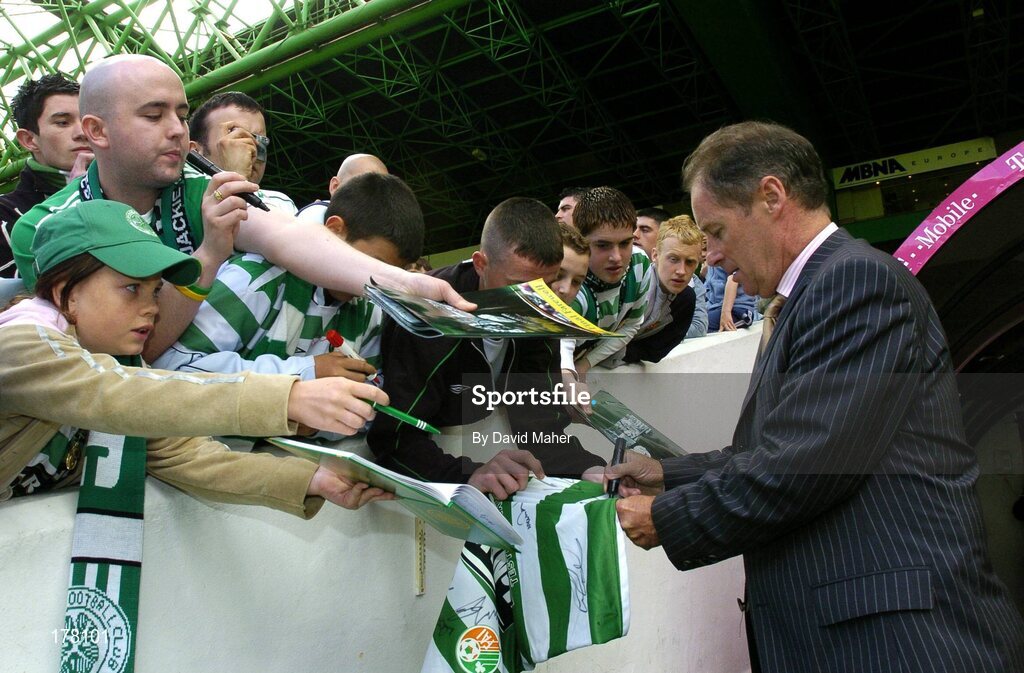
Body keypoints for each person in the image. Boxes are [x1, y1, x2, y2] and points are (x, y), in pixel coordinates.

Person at [605, 121, 1024, 672]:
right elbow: (779, 449)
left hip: (894, 643)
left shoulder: (854, 283)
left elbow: (807, 464)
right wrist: (667, 473)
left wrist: (668, 517)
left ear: (772, 197)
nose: (711, 258)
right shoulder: (811, 296)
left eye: (717, 231)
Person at [9, 55, 468, 365]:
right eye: (153, 116)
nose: (177, 131)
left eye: (181, 113)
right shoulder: (43, 229)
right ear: (98, 131)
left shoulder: (196, 190)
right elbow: (131, 357)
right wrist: (208, 256)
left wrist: (408, 284)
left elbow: (287, 237)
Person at [0, 199, 390, 509]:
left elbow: (182, 455)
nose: (152, 307)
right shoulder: (23, 345)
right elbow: (120, 394)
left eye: (156, 290)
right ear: (65, 293)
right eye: (131, 288)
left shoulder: (118, 361)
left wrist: (311, 480)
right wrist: (289, 395)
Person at [367, 197, 604, 498]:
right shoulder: (427, 318)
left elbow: (538, 421)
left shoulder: (542, 313)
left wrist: (588, 468)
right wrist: (467, 476)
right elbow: (395, 439)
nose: (532, 302)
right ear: (480, 263)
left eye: (545, 286)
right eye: (517, 286)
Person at [153, 172, 423, 383]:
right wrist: (301, 379)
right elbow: (171, 367)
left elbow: (373, 388)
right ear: (335, 230)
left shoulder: (369, 311)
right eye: (372, 265)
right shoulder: (256, 280)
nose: (372, 284)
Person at [1, 74, 92, 278]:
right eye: (62, 122)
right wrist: (76, 199)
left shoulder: (133, 184)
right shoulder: (6, 216)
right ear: (29, 140)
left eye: (88, 120)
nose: (83, 132)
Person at [570, 186, 653, 375]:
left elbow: (632, 325)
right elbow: (560, 343)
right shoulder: (568, 281)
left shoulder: (640, 265)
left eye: (625, 243)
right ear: (580, 240)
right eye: (603, 245)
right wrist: (568, 374)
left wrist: (585, 365)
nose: (616, 257)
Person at [611, 215, 699, 365]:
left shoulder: (686, 300)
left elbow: (655, 351)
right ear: (655, 255)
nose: (681, 271)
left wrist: (622, 353)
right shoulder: (630, 279)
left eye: (690, 262)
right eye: (674, 259)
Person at [188, 91, 296, 213]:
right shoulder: (178, 206)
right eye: (236, 137)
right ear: (195, 151)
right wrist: (236, 176)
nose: (252, 149)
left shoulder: (280, 204)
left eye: (261, 142)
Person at [297, 153, 389, 224]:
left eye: (382, 190)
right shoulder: (317, 213)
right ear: (335, 187)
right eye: (365, 186)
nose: (374, 194)